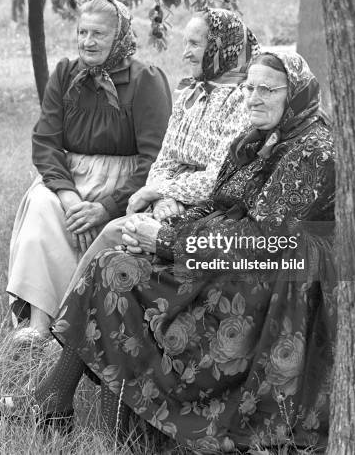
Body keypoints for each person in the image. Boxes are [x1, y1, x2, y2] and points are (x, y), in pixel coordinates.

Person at [20, 52, 336, 452]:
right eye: (250, 88)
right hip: (224, 256)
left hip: (272, 282)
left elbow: (263, 240)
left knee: (119, 273)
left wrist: (167, 243)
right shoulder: (257, 138)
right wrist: (160, 229)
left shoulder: (313, 149)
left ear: (296, 93)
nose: (253, 98)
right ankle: (73, 410)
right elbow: (220, 201)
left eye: (267, 90)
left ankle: (90, 418)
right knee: (114, 262)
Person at [60, 7, 260, 302]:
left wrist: (164, 193)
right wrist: (163, 198)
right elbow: (163, 160)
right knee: (120, 236)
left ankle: (68, 325)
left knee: (117, 234)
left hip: (211, 211)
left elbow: (219, 176)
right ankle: (70, 324)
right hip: (169, 202)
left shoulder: (244, 101)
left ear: (219, 46)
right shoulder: (191, 94)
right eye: (185, 44)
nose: (186, 54)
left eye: (194, 44)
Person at [6, 0, 172, 344]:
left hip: (123, 183)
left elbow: (155, 158)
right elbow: (46, 141)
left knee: (109, 233)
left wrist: (105, 208)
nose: (87, 41)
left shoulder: (146, 81)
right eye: (82, 32)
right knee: (40, 207)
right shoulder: (66, 74)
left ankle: (76, 329)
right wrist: (68, 200)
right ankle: (39, 322)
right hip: (69, 181)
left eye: (98, 33)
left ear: (121, 37)